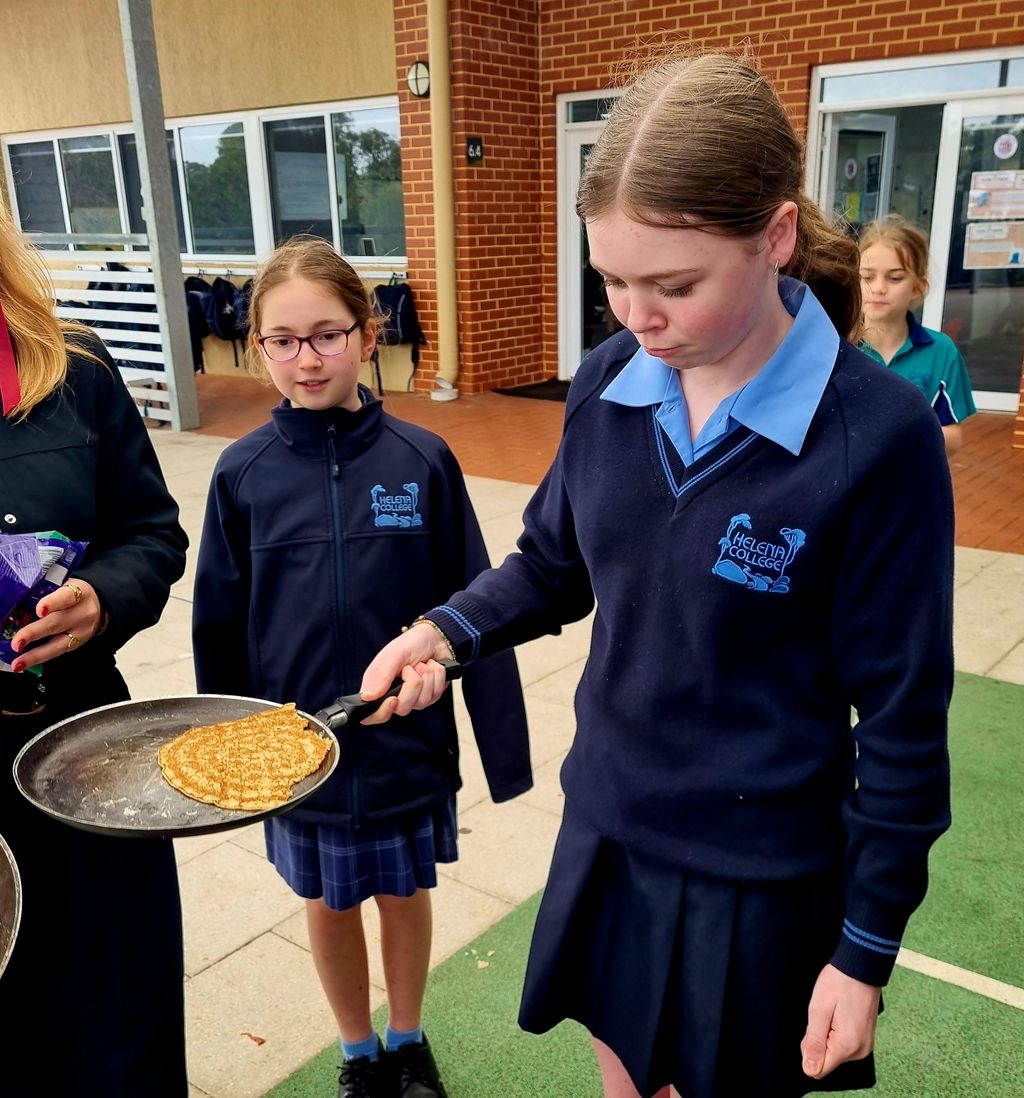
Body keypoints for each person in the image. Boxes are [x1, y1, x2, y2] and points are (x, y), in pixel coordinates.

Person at [358, 51, 954, 1098]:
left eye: (675, 285)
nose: (637, 316)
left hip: (762, 873)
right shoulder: (606, 384)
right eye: (613, 281)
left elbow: (904, 719)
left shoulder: (879, 437)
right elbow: (553, 564)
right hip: (611, 829)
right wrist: (445, 632)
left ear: (775, 237)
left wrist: (865, 950)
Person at [191, 237, 531, 1098]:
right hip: (297, 753)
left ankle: (407, 1041)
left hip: (406, 744)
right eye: (282, 340)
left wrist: (494, 738)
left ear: (367, 334)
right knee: (329, 900)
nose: (306, 359)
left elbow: (476, 608)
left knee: (404, 893)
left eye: (326, 335)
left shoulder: (423, 460)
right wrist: (229, 759)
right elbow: (218, 627)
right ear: (257, 346)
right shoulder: (241, 473)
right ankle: (357, 1052)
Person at [0, 203, 189, 1094]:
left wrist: (103, 597)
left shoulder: (73, 365)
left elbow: (152, 532)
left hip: (78, 737)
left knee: (118, 1006)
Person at [858, 215, 976, 456]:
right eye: (867, 277)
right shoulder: (836, 346)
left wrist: (900, 437)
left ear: (918, 288)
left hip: (914, 477)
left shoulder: (941, 351)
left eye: (895, 278)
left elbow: (953, 437)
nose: (878, 288)